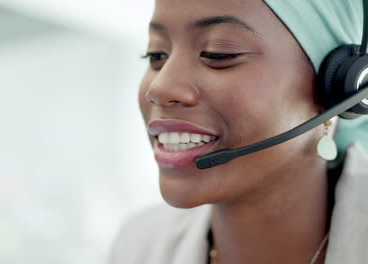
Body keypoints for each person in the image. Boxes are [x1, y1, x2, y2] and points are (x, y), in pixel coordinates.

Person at [110, 0, 368, 264]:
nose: (159, 88)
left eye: (217, 53)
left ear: (342, 89)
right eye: (156, 55)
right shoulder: (137, 246)